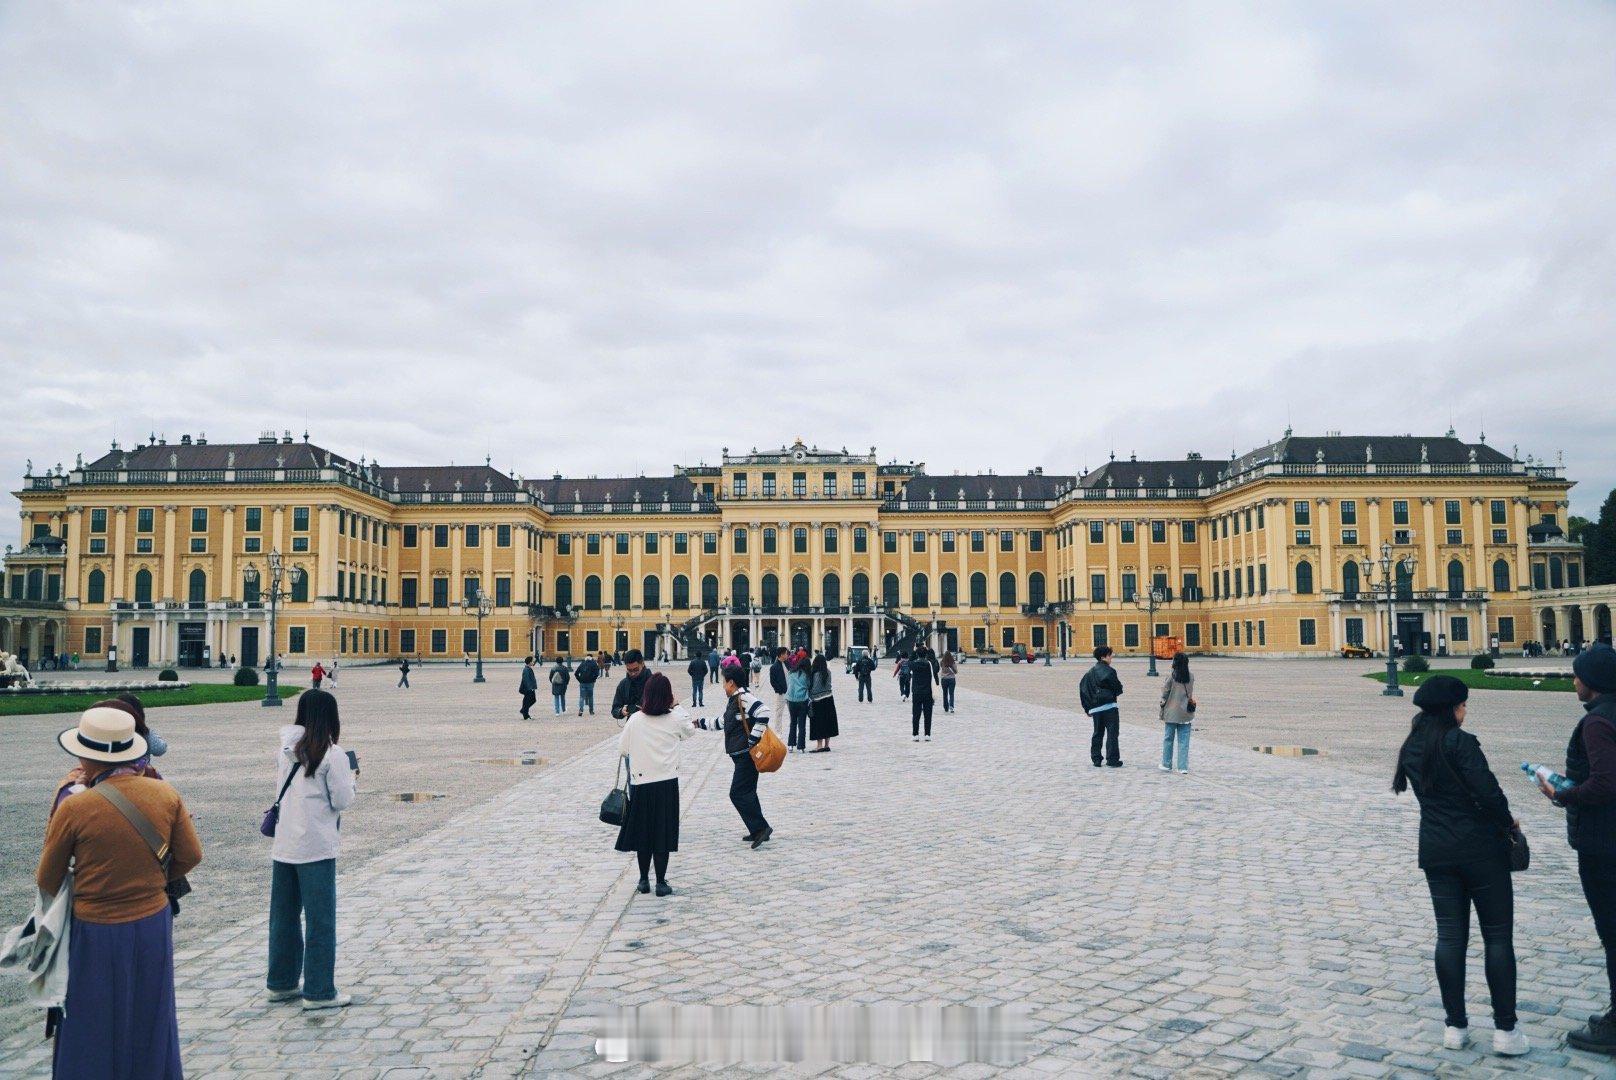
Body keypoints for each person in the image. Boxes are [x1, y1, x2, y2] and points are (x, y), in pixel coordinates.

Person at [38, 703, 203, 1076]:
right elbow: (191, 855)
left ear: (87, 756)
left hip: (94, 926)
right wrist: (153, 881)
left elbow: (47, 879)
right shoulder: (165, 794)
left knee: (90, 1020)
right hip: (151, 922)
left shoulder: (75, 806)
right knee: (151, 1012)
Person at [1394, 675, 1527, 1056]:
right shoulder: (1460, 742)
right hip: (1481, 852)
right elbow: (1488, 793)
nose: (1466, 711)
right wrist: (1508, 824)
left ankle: (1455, 1026)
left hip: (1437, 851)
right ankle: (1506, 1031)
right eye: (1464, 705)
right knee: (1498, 938)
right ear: (1453, 708)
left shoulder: (1413, 745)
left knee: (1450, 938)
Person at [1538, 642, 1616, 1054]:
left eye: (1578, 674)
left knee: (1613, 932)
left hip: (1605, 842)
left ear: (1592, 682)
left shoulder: (1597, 723)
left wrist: (1562, 792)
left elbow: (1605, 784)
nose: (1574, 680)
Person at [268, 688, 357, 1010]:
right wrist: (353, 779)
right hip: (316, 846)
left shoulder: (286, 749)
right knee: (320, 920)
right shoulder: (333, 755)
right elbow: (343, 800)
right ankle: (319, 991)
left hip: (284, 844)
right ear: (330, 718)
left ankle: (281, 982)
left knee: (284, 917)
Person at [616, 673, 701, 896]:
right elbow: (690, 730)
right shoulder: (674, 719)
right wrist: (677, 705)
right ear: (667, 696)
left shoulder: (635, 720)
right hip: (666, 784)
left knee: (643, 834)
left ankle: (644, 880)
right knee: (662, 834)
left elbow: (623, 748)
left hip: (641, 783)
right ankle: (661, 882)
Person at [696, 665, 772, 847]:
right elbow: (723, 722)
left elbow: (764, 712)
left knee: (737, 793)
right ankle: (757, 830)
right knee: (748, 792)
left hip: (746, 755)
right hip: (740, 755)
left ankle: (761, 828)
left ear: (731, 682)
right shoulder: (735, 700)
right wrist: (700, 723)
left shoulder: (744, 697)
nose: (723, 686)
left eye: (724, 682)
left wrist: (753, 739)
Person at [1080, 645, 1124, 768]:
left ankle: (1096, 759)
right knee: (1112, 733)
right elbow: (1118, 688)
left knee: (1097, 733)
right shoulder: (1110, 671)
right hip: (1110, 706)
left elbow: (1083, 690)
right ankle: (1112, 759)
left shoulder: (1089, 673)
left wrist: (1087, 708)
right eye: (1110, 655)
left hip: (1095, 709)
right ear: (1103, 657)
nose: (1111, 658)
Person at [1159, 651, 1196, 774]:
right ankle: (1182, 767)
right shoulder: (1191, 676)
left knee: (1168, 739)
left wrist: (1162, 705)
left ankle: (1166, 764)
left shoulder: (1171, 677)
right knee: (1184, 741)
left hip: (1171, 712)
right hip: (1185, 712)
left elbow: (1165, 694)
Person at [808, 654, 839, 752]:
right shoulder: (828, 672)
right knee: (828, 722)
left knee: (818, 723)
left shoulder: (815, 674)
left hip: (818, 702)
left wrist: (810, 697)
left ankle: (819, 746)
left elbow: (815, 689)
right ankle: (827, 745)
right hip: (829, 699)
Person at [611, 650, 652, 720]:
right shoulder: (623, 684)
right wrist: (621, 711)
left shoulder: (656, 682)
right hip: (632, 726)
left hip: (652, 726)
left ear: (642, 663)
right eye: (629, 670)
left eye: (636, 669)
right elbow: (615, 709)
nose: (632, 673)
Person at [910, 648, 939, 741]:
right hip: (927, 692)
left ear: (917, 655)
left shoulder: (914, 664)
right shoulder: (929, 664)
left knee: (916, 714)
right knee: (928, 714)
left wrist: (914, 650)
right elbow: (935, 671)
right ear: (925, 654)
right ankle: (927, 734)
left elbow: (909, 661)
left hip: (917, 693)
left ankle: (915, 735)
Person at [785, 649, 811, 753]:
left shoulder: (791, 673)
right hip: (802, 701)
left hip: (791, 701)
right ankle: (801, 746)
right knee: (802, 724)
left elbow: (789, 685)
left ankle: (791, 745)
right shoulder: (806, 675)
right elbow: (808, 686)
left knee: (793, 723)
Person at [769, 647, 790, 734]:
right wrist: (779, 690)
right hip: (781, 694)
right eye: (786, 653)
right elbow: (772, 681)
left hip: (790, 693)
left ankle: (792, 732)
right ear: (781, 654)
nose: (787, 655)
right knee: (778, 713)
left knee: (792, 714)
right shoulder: (774, 667)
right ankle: (778, 732)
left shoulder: (788, 663)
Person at [519, 656, 538, 720]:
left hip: (530, 688)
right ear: (529, 662)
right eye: (533, 661)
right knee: (527, 701)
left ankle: (523, 710)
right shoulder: (526, 669)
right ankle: (526, 715)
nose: (534, 662)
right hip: (528, 689)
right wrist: (530, 688)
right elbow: (526, 680)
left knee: (532, 700)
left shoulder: (528, 668)